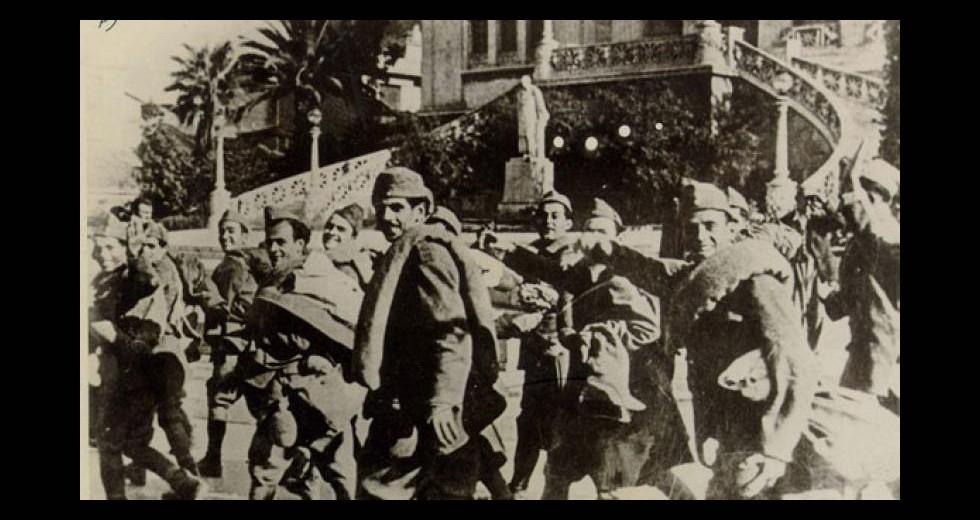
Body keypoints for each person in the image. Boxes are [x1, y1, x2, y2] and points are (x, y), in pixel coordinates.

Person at [577, 181, 818, 499]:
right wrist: (601, 247)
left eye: (710, 226)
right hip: (724, 425)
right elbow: (648, 269)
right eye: (691, 229)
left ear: (732, 226)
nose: (701, 236)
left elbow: (795, 361)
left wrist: (776, 447)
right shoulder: (696, 278)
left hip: (762, 426)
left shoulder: (756, 280)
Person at [354, 167, 505, 500]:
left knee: (380, 488)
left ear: (420, 211)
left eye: (397, 208)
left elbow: (451, 331)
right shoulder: (408, 251)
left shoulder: (425, 253)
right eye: (381, 207)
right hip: (411, 403)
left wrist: (443, 401)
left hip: (423, 408)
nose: (386, 216)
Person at [243, 207, 365, 500]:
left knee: (340, 471)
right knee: (265, 471)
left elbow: (343, 331)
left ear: (300, 245)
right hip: (281, 397)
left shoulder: (321, 279)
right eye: (270, 242)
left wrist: (314, 359)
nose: (274, 248)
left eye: (281, 242)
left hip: (320, 395)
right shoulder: (274, 281)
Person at [94, 222, 205, 500]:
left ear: (127, 249)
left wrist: (109, 334)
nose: (102, 254)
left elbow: (145, 282)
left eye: (110, 247)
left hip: (132, 375)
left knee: (110, 444)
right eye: (98, 247)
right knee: (134, 443)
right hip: (134, 373)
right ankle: (183, 481)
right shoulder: (106, 280)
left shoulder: (134, 278)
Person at [479, 190, 576, 498]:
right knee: (529, 418)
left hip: (563, 352)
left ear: (569, 223)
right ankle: (519, 485)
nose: (548, 221)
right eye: (543, 215)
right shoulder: (532, 251)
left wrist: (511, 253)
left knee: (560, 422)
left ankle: (555, 489)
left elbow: (559, 283)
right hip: (535, 351)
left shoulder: (571, 253)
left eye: (556, 216)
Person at [197, 210, 271, 478]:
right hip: (253, 345)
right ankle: (270, 465)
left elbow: (226, 307)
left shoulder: (232, 265)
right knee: (262, 405)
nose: (225, 236)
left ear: (245, 235)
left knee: (219, 400)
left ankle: (213, 459)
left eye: (231, 231)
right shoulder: (254, 262)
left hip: (232, 344)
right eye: (222, 231)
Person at [823, 156, 900, 413]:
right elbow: (858, 289)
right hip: (865, 343)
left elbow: (854, 204)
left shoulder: (883, 236)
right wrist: (832, 301)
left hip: (880, 346)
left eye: (864, 197)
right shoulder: (865, 241)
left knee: (863, 415)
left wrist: (849, 168)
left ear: (876, 199)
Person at [322, 203, 376, 291]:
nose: (332, 232)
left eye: (341, 229)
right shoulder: (326, 260)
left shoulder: (346, 270)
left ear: (353, 236)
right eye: (329, 226)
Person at [517, 75, 550, 159]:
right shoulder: (520, 93)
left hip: (532, 117)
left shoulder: (534, 91)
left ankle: (533, 153)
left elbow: (540, 105)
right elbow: (519, 107)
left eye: (525, 82)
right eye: (522, 82)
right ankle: (525, 153)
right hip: (522, 118)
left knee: (531, 135)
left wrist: (543, 116)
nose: (523, 84)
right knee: (523, 136)